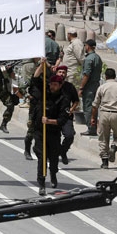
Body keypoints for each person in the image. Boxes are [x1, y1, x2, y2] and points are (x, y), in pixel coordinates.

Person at [29, 65, 70, 196]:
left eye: (55, 85)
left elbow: (63, 119)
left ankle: (53, 173)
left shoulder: (63, 99)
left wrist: (49, 121)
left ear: (60, 85)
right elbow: (35, 79)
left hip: (53, 132)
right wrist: (42, 64)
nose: (52, 86)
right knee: (42, 158)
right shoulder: (45, 93)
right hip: (40, 132)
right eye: (51, 84)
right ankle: (41, 184)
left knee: (53, 159)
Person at [91, 68, 117, 169]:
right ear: (115, 76)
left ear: (106, 76)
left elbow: (95, 105)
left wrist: (93, 118)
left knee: (103, 138)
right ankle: (114, 148)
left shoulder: (102, 87)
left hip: (104, 114)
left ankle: (105, 162)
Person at [54, 65, 80, 165]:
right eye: (60, 72)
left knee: (70, 135)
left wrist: (71, 109)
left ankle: (63, 151)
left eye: (64, 72)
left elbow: (76, 101)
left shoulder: (69, 87)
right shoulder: (50, 85)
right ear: (56, 73)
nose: (62, 74)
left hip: (65, 116)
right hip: (53, 116)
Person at [79, 39, 103, 136]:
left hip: (89, 87)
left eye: (85, 46)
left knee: (88, 107)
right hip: (96, 85)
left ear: (87, 46)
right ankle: (93, 127)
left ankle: (91, 128)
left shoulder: (89, 59)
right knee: (94, 107)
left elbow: (86, 75)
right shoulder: (97, 57)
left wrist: (81, 88)